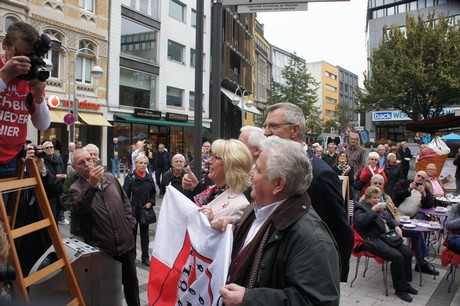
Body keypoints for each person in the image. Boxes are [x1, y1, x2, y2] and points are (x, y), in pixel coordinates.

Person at [213, 137, 340, 305]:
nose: (251, 173)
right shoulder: (256, 210)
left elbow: (318, 301)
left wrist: (249, 299)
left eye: (258, 169)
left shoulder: (312, 239)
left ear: (278, 184)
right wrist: (233, 229)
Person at [263, 102, 353, 282]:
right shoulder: (270, 165)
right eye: (265, 126)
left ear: (294, 130)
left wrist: (330, 277)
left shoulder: (320, 174)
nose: (265, 132)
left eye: (273, 126)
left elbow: (340, 231)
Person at [69, 149, 140, 306]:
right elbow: (80, 208)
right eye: (81, 162)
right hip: (104, 251)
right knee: (108, 292)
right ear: (75, 168)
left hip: (125, 245)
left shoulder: (110, 178)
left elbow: (125, 201)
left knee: (132, 287)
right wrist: (91, 186)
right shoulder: (76, 188)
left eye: (89, 159)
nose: (87, 163)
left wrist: (130, 224)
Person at [0, 21, 51, 179]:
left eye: (27, 56)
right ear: (4, 45)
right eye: (17, 54)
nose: (22, 61)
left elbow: (42, 124)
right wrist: (5, 76)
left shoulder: (30, 75)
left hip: (13, 160)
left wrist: (38, 96)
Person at [354, 186, 416, 302]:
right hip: (370, 239)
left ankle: (406, 283)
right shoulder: (360, 207)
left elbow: (389, 217)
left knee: (407, 253)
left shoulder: (380, 206)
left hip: (383, 236)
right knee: (397, 257)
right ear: (367, 198)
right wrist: (373, 210)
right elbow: (361, 223)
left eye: (378, 197)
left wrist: (396, 225)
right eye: (374, 198)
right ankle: (400, 289)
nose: (377, 200)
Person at [182, 139, 252, 221]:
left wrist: (210, 223)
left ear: (231, 165)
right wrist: (194, 187)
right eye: (211, 155)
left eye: (216, 158)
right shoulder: (213, 191)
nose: (209, 161)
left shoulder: (239, 206)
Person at [123, 155, 156, 267]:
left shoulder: (149, 177)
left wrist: (151, 202)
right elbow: (124, 195)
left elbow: (153, 193)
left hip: (145, 210)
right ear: (136, 164)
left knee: (145, 235)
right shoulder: (130, 177)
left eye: (145, 163)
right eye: (140, 163)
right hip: (133, 210)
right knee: (132, 235)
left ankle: (145, 257)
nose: (143, 165)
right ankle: (132, 257)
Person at [42, 141, 68, 224]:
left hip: (59, 190)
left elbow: (63, 170)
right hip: (49, 192)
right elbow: (46, 175)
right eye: (47, 147)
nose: (49, 149)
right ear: (43, 150)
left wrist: (62, 176)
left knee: (57, 214)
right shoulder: (42, 160)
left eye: (51, 147)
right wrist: (58, 176)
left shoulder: (58, 158)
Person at [347, 132, 367, 202]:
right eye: (352, 139)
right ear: (349, 139)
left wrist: (355, 175)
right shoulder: (347, 149)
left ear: (357, 140)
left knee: (355, 197)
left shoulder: (362, 150)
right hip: (347, 175)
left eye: (355, 139)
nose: (353, 141)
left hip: (356, 176)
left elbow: (362, 164)